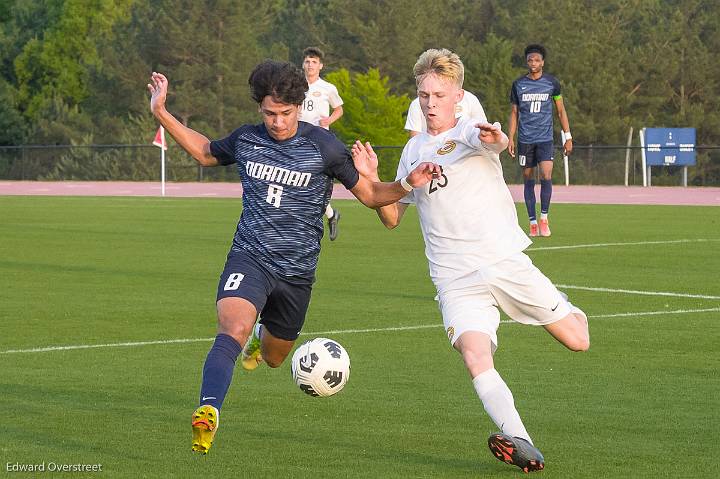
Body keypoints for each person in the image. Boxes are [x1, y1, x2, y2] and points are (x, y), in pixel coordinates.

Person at [147, 61, 441, 455]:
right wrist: (161, 111)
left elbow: (372, 197)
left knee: (273, 357)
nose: (278, 122)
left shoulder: (324, 147)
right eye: (270, 113)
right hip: (249, 257)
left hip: (297, 274)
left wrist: (408, 182)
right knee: (229, 328)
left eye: (285, 113)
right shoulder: (247, 140)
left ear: (300, 106)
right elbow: (204, 152)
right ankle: (208, 409)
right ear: (259, 108)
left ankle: (259, 335)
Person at [351, 48, 589, 474]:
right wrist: (369, 178)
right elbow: (391, 217)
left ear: (458, 95)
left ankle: (567, 305)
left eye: (439, 95)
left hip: (500, 260)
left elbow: (493, 141)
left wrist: (495, 138)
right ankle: (524, 444)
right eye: (424, 94)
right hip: (453, 277)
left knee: (577, 339)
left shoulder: (467, 130)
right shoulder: (411, 153)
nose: (429, 103)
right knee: (475, 356)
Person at [508, 44, 572, 237]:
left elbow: (560, 111)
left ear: (542, 62)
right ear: (526, 62)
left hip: (545, 139)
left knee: (546, 175)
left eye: (536, 60)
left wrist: (568, 136)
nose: (533, 63)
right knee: (528, 179)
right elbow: (514, 113)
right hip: (525, 140)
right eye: (530, 60)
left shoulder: (552, 84)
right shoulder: (518, 85)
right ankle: (532, 222)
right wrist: (510, 137)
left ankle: (544, 218)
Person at [300, 46, 344, 240]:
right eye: (308, 61)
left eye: (314, 62)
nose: (310, 65)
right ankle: (331, 215)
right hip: (298, 137)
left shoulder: (327, 88)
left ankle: (327, 215)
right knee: (302, 180)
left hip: (319, 139)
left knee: (311, 180)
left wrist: (329, 120)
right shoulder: (296, 85)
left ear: (320, 66)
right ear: (303, 64)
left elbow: (339, 109)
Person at [404, 88, 486, 137]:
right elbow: (415, 138)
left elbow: (482, 130)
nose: (430, 104)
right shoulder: (416, 104)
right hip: (430, 157)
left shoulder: (470, 99)